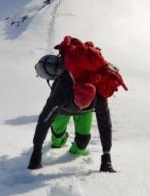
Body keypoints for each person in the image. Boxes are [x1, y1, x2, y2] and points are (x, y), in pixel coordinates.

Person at [27, 36, 127, 173]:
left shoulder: (99, 94)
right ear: (74, 92)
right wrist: (36, 151)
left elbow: (105, 124)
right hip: (62, 110)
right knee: (57, 142)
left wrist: (106, 155)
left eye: (84, 104)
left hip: (85, 113)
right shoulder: (62, 91)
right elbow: (44, 120)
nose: (80, 106)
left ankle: (74, 148)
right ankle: (61, 138)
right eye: (79, 103)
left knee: (81, 146)